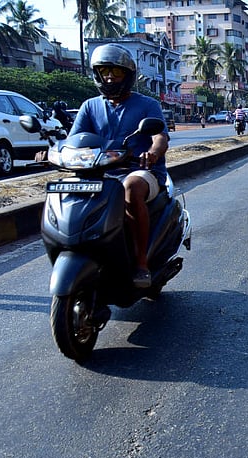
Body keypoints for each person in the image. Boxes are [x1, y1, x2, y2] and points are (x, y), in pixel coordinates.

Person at [69, 43, 169, 288]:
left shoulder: (147, 104)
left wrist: (152, 154)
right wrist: (53, 152)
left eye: (117, 71)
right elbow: (74, 141)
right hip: (100, 173)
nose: (111, 77)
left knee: (131, 188)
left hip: (140, 171)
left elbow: (160, 138)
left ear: (128, 75)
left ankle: (141, 263)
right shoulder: (89, 106)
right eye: (105, 71)